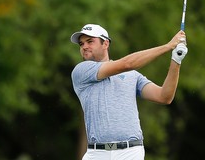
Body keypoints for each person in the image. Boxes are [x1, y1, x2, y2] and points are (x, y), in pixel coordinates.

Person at [70, 24, 188, 160]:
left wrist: (176, 60)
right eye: (81, 43)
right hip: (97, 153)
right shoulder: (81, 71)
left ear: (105, 43)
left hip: (130, 152)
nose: (84, 46)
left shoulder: (132, 75)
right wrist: (168, 46)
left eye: (90, 41)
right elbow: (127, 64)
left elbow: (164, 96)